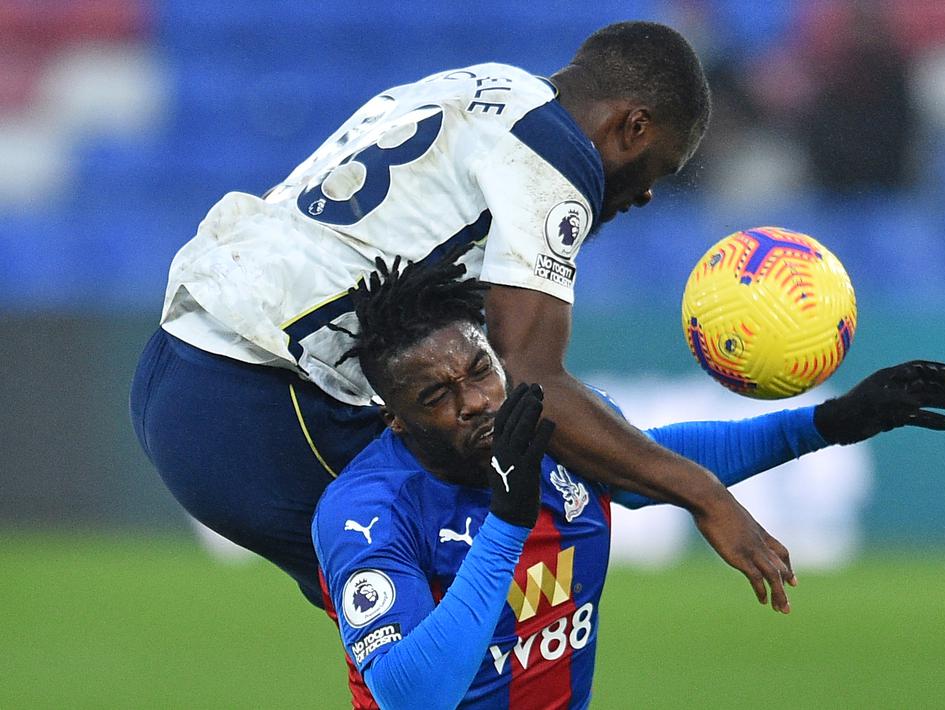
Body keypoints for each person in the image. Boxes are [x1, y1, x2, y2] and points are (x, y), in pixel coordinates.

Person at [129, 21, 802, 611]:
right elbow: (534, 385)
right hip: (261, 402)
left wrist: (799, 436)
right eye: (659, 167)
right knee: (479, 630)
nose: (648, 192)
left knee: (499, 555)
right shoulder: (557, 161)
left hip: (188, 360)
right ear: (633, 127)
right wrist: (706, 498)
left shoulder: (490, 84)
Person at [313, 253, 945, 709]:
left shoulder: (547, 425)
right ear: (394, 419)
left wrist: (827, 423)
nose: (477, 402)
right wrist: (508, 522)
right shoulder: (367, 513)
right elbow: (413, 697)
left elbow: (649, 462)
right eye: (437, 396)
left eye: (480, 371)